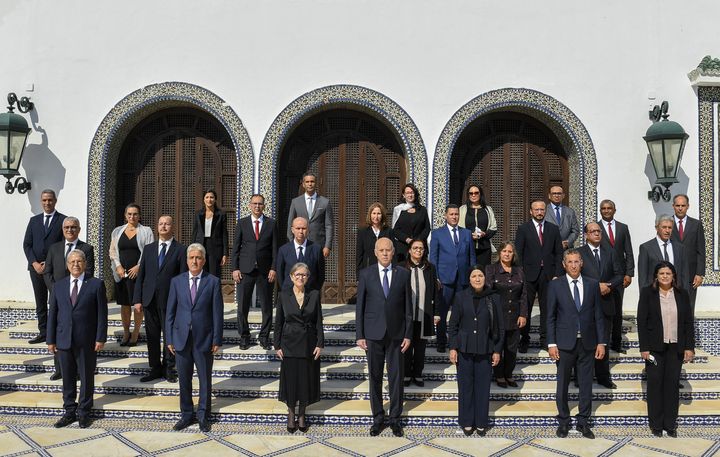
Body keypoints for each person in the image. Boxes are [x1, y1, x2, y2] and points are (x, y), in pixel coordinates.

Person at [356, 237, 412, 437]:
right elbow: (360, 306)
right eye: (382, 250)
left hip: (397, 335)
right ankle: (378, 418)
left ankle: (395, 418)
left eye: (388, 250)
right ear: (375, 252)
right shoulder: (366, 274)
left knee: (396, 378)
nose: (385, 253)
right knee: (375, 376)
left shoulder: (403, 274)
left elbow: (408, 308)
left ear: (394, 251)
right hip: (373, 333)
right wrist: (359, 334)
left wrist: (408, 334)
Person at [547, 249, 605, 439]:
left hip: (588, 343)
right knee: (562, 383)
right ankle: (563, 421)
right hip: (564, 344)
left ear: (582, 263)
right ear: (564, 264)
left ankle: (583, 422)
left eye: (576, 261)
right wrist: (551, 343)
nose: (573, 265)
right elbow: (550, 317)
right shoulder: (556, 286)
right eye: (569, 262)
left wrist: (601, 342)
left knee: (586, 384)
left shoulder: (592, 284)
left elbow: (598, 316)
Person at [166, 243, 224, 433]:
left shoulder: (213, 281)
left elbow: (217, 313)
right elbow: (170, 313)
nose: (195, 261)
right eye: (191, 258)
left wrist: (217, 339)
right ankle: (186, 414)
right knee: (184, 379)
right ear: (187, 260)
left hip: (204, 339)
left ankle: (203, 415)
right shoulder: (177, 281)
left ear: (204, 261)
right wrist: (169, 339)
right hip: (181, 338)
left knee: (204, 379)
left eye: (198, 258)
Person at [47, 250, 108, 429]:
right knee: (67, 378)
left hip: (87, 341)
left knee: (87, 377)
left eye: (79, 261)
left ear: (85, 264)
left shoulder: (96, 284)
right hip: (63, 339)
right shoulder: (58, 286)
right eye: (72, 261)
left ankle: (84, 412)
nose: (76, 264)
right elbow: (53, 314)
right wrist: (51, 339)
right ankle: (69, 411)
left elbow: (102, 315)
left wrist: (100, 337)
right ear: (67, 265)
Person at [637, 261, 694, 437]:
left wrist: (689, 347)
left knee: (671, 386)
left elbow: (687, 323)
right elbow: (641, 321)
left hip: (675, 347)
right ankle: (656, 424)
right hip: (654, 348)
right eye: (661, 273)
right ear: (656, 276)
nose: (665, 276)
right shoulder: (648, 293)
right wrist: (644, 347)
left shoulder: (682, 294)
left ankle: (670, 424)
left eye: (668, 273)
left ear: (673, 276)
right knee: (655, 385)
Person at [448, 265, 504, 436]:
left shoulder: (493, 297)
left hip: (485, 350)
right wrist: (453, 347)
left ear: (485, 278)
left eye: (480, 275)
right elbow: (453, 325)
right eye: (474, 276)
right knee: (465, 387)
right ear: (469, 279)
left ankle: (481, 421)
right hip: (464, 350)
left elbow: (500, 327)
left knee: (482, 387)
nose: (478, 278)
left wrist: (497, 350)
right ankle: (466, 421)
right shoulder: (460, 296)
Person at [133, 215, 187, 383]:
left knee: (169, 335)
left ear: (173, 226)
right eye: (161, 223)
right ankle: (155, 368)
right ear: (157, 227)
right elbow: (141, 276)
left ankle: (169, 368)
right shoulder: (148, 249)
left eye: (167, 224)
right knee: (152, 336)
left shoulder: (180, 249)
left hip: (170, 301)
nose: (163, 226)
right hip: (149, 300)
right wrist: (137, 299)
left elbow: (183, 277)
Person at [274, 262, 324, 434]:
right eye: (297, 274)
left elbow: (319, 321)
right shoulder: (283, 295)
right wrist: (277, 344)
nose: (300, 277)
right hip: (289, 343)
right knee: (290, 381)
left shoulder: (315, 294)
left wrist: (320, 343)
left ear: (308, 278)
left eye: (304, 275)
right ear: (291, 277)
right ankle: (290, 413)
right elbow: (279, 321)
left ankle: (301, 414)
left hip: (308, 344)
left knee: (305, 380)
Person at [43, 216, 95, 380]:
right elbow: (47, 272)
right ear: (63, 230)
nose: (70, 230)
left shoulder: (87, 248)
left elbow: (90, 271)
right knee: (60, 330)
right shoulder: (54, 248)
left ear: (79, 229)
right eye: (67, 227)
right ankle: (60, 369)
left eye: (73, 227)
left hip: (78, 297)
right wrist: (58, 291)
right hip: (58, 297)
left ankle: (79, 370)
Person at [577, 222, 623, 389]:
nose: (597, 233)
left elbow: (619, 274)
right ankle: (581, 376)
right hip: (585, 305)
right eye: (593, 231)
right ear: (586, 235)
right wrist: (594, 286)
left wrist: (608, 285)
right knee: (584, 342)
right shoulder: (579, 253)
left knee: (603, 340)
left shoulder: (610, 252)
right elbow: (574, 274)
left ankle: (603, 376)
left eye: (598, 231)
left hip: (605, 303)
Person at [515, 200, 563, 352]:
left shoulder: (553, 229)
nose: (539, 212)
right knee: (526, 308)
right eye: (536, 210)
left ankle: (545, 339)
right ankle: (524, 339)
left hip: (549, 276)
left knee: (547, 309)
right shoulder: (523, 229)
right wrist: (520, 274)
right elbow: (519, 253)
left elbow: (559, 253)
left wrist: (557, 274)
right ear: (531, 211)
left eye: (542, 209)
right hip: (528, 275)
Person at [231, 194, 278, 350]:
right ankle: (244, 336)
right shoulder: (242, 223)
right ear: (249, 206)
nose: (257, 206)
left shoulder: (271, 224)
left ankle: (264, 336)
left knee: (266, 305)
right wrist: (235, 268)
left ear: (264, 206)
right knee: (242, 305)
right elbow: (236, 248)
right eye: (254, 204)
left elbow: (275, 249)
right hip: (245, 270)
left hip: (265, 270)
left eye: (260, 204)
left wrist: (273, 268)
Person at [430, 204, 476, 353]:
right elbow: (433, 258)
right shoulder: (437, 233)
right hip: (444, 280)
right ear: (445, 216)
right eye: (451, 214)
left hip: (463, 280)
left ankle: (457, 342)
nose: (454, 217)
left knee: (461, 312)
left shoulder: (467, 233)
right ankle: (441, 342)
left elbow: (471, 258)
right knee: (442, 313)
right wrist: (435, 278)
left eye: (456, 214)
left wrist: (473, 277)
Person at [23, 189, 66, 345]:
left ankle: (58, 331)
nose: (47, 203)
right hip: (35, 268)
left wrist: (47, 263)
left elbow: (64, 245)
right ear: (41, 202)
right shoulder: (34, 221)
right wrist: (34, 263)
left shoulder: (63, 220)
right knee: (40, 301)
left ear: (55, 201)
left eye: (50, 200)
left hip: (54, 268)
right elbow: (27, 245)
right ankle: (43, 332)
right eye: (44, 200)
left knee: (56, 300)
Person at [109, 203, 154, 346]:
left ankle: (136, 332)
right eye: (129, 214)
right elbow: (113, 252)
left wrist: (139, 267)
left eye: (135, 214)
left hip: (138, 274)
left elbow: (149, 250)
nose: (132, 216)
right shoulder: (117, 231)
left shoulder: (146, 231)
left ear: (139, 216)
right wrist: (118, 266)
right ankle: (126, 331)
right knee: (124, 304)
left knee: (137, 305)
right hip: (122, 273)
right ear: (125, 215)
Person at [485, 242, 527, 388]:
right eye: (504, 251)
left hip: (514, 316)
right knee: (498, 346)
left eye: (510, 252)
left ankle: (508, 374)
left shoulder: (519, 271)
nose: (507, 254)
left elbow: (524, 295)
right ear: (499, 253)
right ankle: (499, 375)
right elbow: (488, 293)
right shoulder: (491, 269)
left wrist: (523, 314)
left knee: (511, 349)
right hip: (497, 316)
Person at [598, 199, 634, 354]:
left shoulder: (623, 228)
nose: (606, 211)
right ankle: (602, 341)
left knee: (617, 311)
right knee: (602, 310)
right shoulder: (596, 228)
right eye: (603, 208)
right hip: (602, 275)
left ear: (614, 210)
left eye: (609, 208)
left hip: (619, 276)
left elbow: (629, 252)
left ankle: (617, 343)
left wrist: (629, 273)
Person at [404, 239, 440, 387]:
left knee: (420, 348)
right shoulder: (401, 267)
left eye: (421, 248)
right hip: (407, 315)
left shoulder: (430, 268)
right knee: (406, 347)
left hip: (424, 314)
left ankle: (418, 374)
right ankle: (406, 374)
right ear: (409, 250)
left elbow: (436, 293)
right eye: (415, 248)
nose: (418, 250)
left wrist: (436, 313)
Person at [287, 172, 334, 267]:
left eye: (312, 181)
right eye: (307, 182)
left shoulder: (325, 202)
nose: (310, 184)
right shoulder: (295, 202)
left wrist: (327, 246)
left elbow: (329, 225)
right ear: (303, 184)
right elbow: (290, 224)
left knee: (316, 272)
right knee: (300, 272)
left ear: (316, 183)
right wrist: (292, 243)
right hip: (299, 244)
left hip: (318, 244)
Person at [670, 194, 705, 311]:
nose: (680, 208)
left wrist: (699, 274)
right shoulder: (667, 225)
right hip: (671, 274)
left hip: (691, 276)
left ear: (688, 206)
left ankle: (688, 330)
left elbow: (701, 251)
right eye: (677, 205)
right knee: (672, 308)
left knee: (688, 308)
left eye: (683, 205)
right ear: (673, 206)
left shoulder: (696, 224)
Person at [638, 215, 689, 290]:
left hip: (676, 293)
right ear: (657, 228)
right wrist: (644, 298)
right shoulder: (646, 248)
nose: (667, 230)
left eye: (670, 228)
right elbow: (643, 277)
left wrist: (685, 297)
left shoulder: (680, 248)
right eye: (664, 227)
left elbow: (685, 275)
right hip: (654, 293)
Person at [276, 217, 322, 292]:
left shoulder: (316, 249)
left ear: (308, 230)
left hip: (310, 293)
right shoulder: (283, 250)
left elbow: (320, 274)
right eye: (298, 228)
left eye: (304, 228)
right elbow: (280, 274)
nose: (301, 231)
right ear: (292, 230)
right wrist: (285, 289)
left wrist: (315, 291)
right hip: (289, 293)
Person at [458, 185, 497, 270]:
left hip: (484, 248)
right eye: (471, 193)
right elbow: (458, 228)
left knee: (483, 272)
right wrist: (469, 235)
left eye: (476, 193)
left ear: (480, 194)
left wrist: (484, 234)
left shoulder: (488, 209)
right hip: (467, 248)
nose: (473, 195)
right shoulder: (462, 209)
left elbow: (493, 228)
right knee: (467, 272)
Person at [191, 189, 228, 277]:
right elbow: (195, 232)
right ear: (204, 199)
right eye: (207, 197)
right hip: (200, 246)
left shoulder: (221, 214)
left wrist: (225, 254)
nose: (209, 199)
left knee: (214, 274)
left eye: (212, 197)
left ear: (215, 199)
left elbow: (224, 234)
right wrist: (192, 249)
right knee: (200, 273)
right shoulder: (198, 214)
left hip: (215, 248)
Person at [391, 183, 431, 263]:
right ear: (404, 195)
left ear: (415, 194)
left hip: (419, 248)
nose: (410, 195)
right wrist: (407, 239)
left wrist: (417, 240)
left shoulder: (422, 210)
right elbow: (395, 230)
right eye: (407, 193)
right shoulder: (399, 210)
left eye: (412, 192)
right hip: (403, 249)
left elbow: (427, 228)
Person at [357, 202, 391, 274]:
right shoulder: (363, 232)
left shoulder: (389, 231)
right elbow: (359, 255)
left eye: (379, 213)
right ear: (370, 215)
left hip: (385, 269)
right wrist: (359, 275)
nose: (376, 216)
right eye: (374, 213)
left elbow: (393, 252)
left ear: (382, 215)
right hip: (368, 269)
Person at [544, 185, 580, 250]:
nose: (557, 195)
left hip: (566, 249)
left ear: (563, 196)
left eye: (559, 193)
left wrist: (567, 242)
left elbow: (575, 230)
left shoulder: (570, 212)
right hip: (548, 248)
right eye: (554, 193)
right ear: (549, 196)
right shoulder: (544, 211)